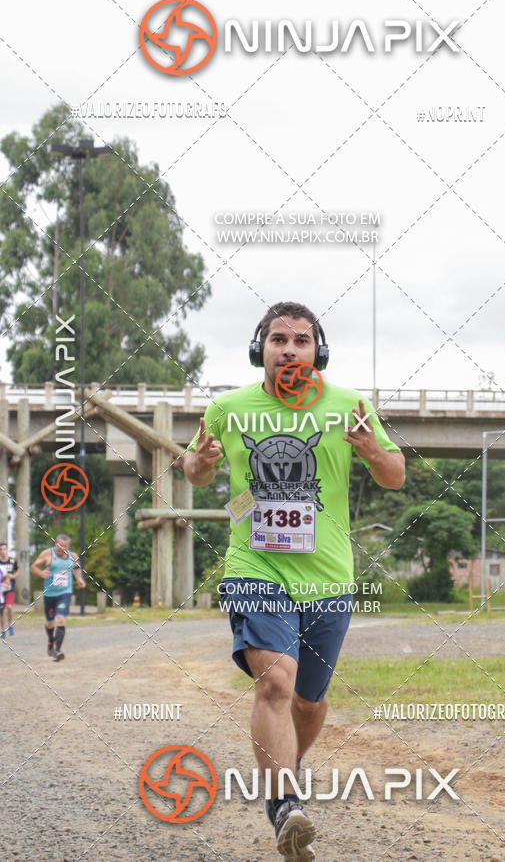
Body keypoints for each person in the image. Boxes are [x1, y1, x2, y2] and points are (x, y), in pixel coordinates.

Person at [184, 301, 405, 859]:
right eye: (278, 339)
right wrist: (203, 460)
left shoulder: (348, 406)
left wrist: (373, 449)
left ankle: (286, 766)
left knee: (308, 702)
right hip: (256, 565)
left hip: (329, 576)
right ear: (260, 348)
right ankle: (284, 803)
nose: (289, 349)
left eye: (301, 341)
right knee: (275, 683)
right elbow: (194, 470)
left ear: (317, 352)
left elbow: (395, 475)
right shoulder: (229, 408)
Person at [30, 534, 85, 661]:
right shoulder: (47, 554)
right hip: (50, 595)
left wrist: (79, 579)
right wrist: (41, 573)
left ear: (68, 546)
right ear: (56, 544)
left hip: (65, 593)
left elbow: (77, 568)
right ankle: (50, 641)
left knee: (60, 619)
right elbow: (33, 567)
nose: (62, 548)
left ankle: (57, 650)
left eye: (65, 546)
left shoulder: (73, 556)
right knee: (50, 623)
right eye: (60, 545)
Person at [0, 542, 18, 638]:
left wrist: (12, 576)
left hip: (10, 588)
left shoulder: (12, 561)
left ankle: (10, 625)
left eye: (4, 549)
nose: (3, 551)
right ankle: (3, 630)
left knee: (9, 607)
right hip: (1, 590)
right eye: (1, 549)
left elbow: (17, 571)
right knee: (1, 611)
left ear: (7, 550)